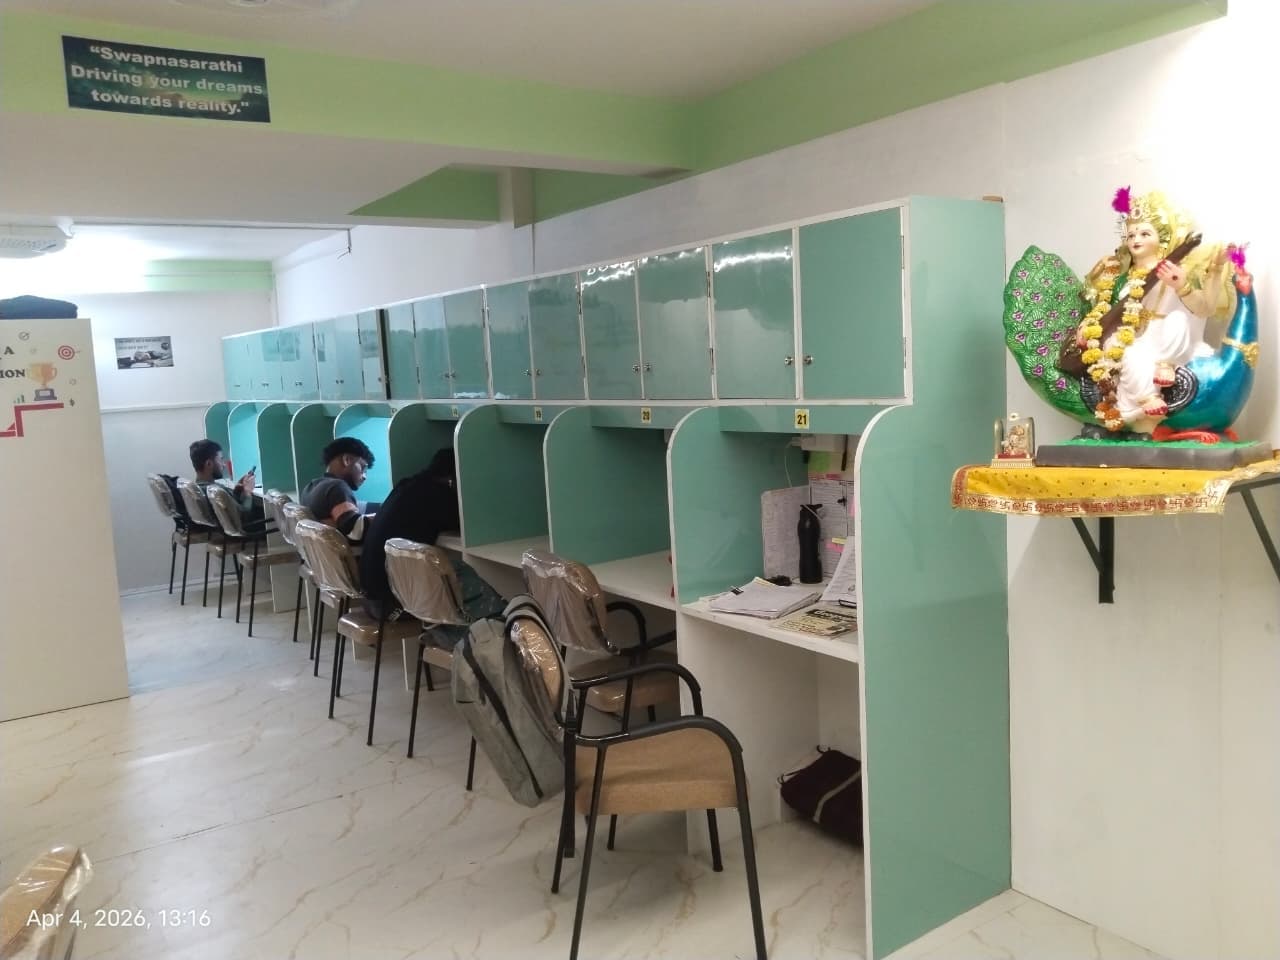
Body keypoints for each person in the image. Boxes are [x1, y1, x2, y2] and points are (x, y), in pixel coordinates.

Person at [1072, 188, 1235, 432]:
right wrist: (1086, 326)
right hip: (1133, 339)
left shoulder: (1176, 270)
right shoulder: (1121, 278)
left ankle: (1165, 365)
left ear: (1162, 238)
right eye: (1131, 235)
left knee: (1178, 320)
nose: (1136, 239)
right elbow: (1103, 312)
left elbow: (1205, 309)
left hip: (1167, 343)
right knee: (1125, 349)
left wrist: (1182, 286)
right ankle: (1146, 402)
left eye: (1145, 233)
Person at [358, 449, 506, 648]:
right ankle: (489, 642)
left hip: (372, 600)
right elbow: (468, 522)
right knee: (462, 578)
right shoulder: (438, 496)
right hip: (393, 607)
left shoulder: (406, 487)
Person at [300, 437, 377, 542]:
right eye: (363, 468)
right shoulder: (337, 487)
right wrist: (385, 515)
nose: (364, 476)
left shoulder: (312, 487)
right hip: (356, 556)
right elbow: (355, 530)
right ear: (347, 460)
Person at [189, 438, 259, 523]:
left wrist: (236, 491)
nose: (224, 465)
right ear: (209, 464)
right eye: (221, 459)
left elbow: (230, 507)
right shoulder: (217, 492)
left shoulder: (200, 488)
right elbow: (244, 516)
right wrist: (248, 492)